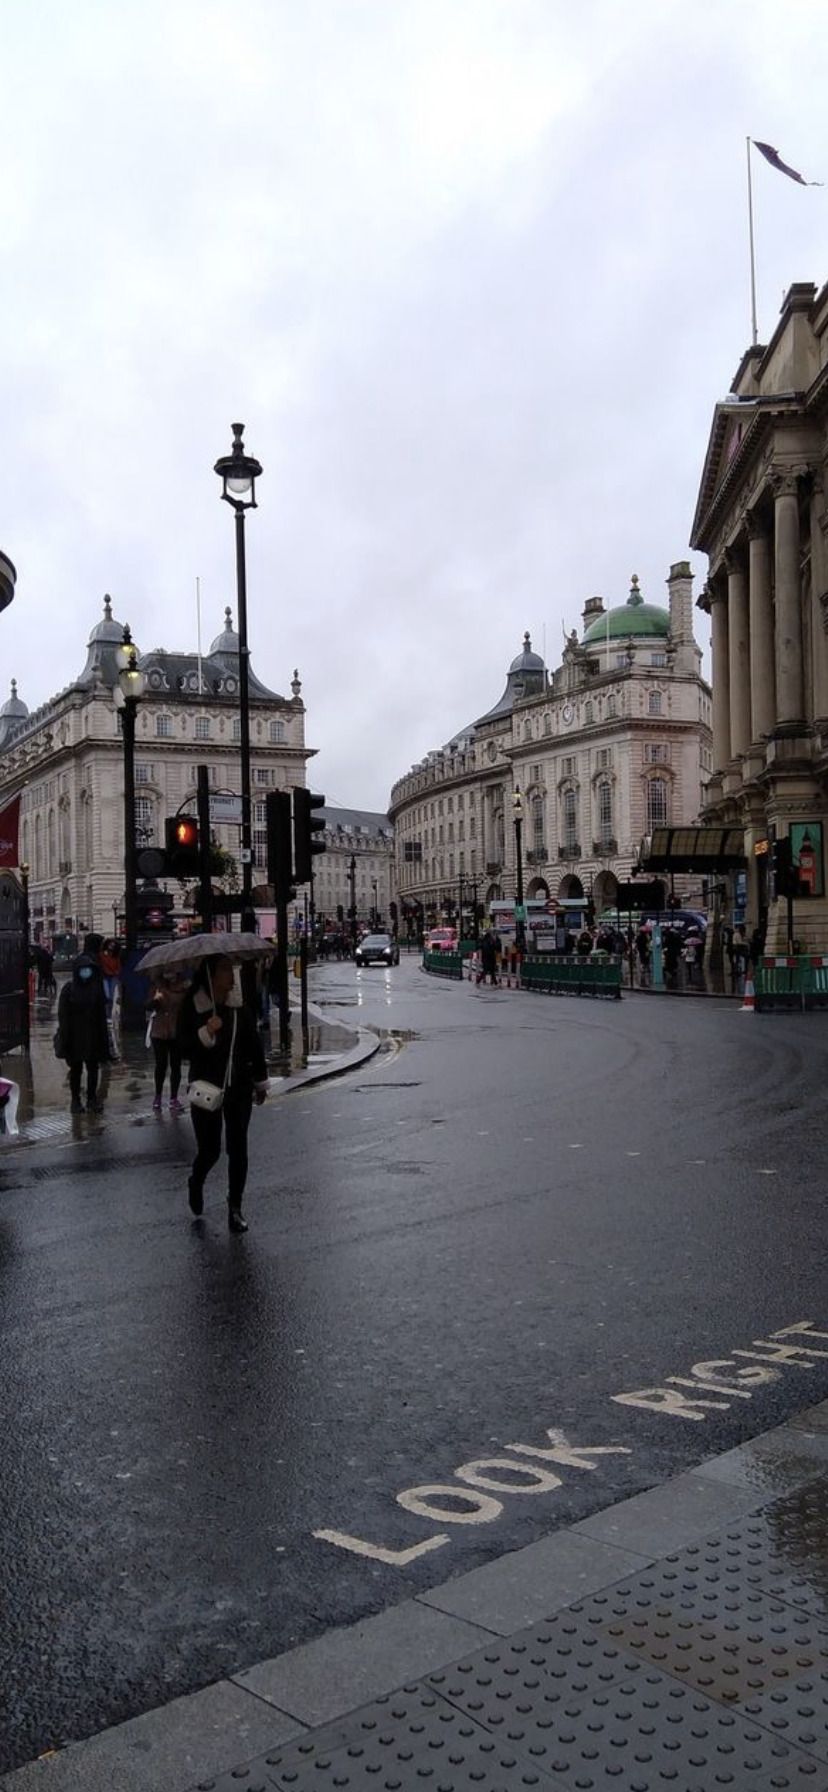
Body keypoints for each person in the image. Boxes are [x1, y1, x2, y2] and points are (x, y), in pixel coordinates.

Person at [178, 955, 269, 1233]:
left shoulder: (239, 1007)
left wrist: (260, 1080)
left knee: (238, 1148)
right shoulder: (195, 1006)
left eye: (233, 970)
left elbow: (253, 1044)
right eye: (226, 970)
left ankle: (235, 1207)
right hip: (207, 1089)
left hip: (239, 1088)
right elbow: (182, 1048)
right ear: (211, 974)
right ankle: (196, 1180)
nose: (232, 975)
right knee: (210, 1150)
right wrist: (205, 1032)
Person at [56, 951, 110, 1113]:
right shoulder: (69, 990)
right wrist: (64, 1040)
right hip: (75, 1037)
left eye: (89, 969)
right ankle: (75, 1100)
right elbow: (63, 1016)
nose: (86, 972)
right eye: (83, 969)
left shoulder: (96, 989)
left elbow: (101, 1016)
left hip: (93, 1036)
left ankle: (92, 1099)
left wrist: (104, 1040)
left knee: (93, 1069)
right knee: (76, 1070)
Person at [148, 970, 188, 1112]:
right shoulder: (157, 987)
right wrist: (155, 1000)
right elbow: (148, 1006)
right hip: (159, 1032)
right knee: (161, 1065)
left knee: (175, 1065)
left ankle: (173, 1098)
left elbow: (187, 1009)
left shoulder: (184, 988)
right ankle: (157, 1097)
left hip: (177, 1032)